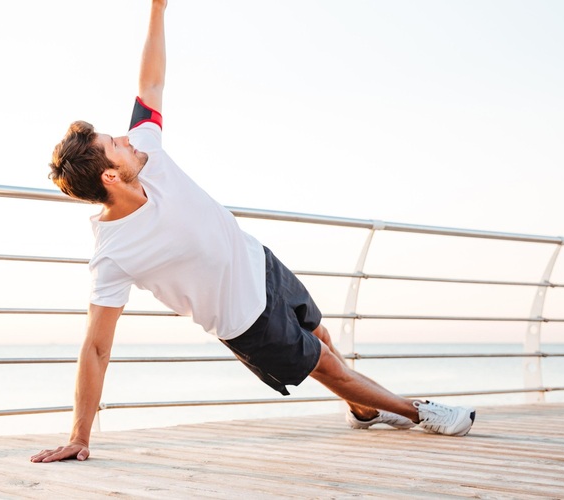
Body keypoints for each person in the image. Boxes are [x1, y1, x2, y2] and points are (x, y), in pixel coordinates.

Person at [30, 0, 475, 464]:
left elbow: (151, 81)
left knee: (321, 337)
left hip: (259, 263)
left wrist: (158, 9)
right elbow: (97, 347)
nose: (124, 138)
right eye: (112, 144)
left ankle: (363, 410)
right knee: (326, 368)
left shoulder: (145, 151)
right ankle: (420, 412)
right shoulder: (114, 253)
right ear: (109, 178)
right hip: (247, 320)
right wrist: (80, 434)